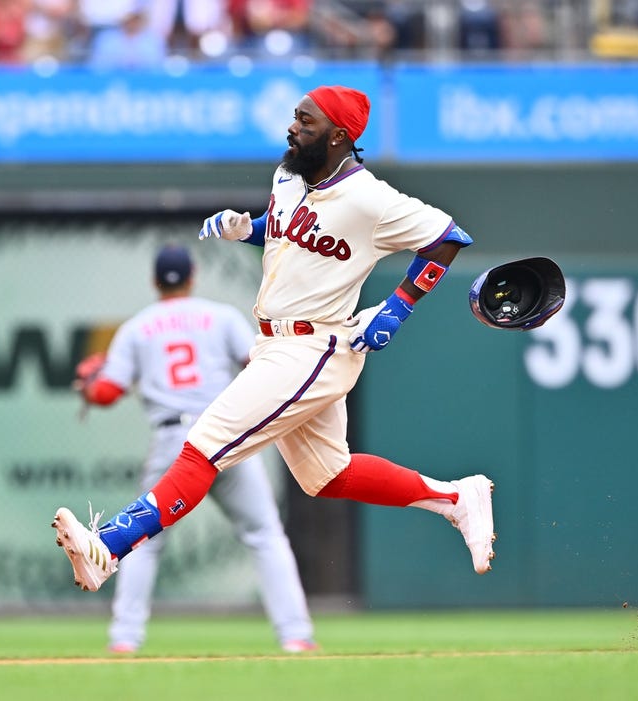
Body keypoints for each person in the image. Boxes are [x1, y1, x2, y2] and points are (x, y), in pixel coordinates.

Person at [51, 85, 495, 608]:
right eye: (294, 118)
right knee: (328, 476)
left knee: (205, 442)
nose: (293, 128)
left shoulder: (370, 198)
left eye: (306, 123)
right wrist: (251, 230)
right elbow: (292, 235)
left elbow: (449, 235)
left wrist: (399, 305)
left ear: (339, 136)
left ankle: (109, 547)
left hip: (314, 347)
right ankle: (455, 497)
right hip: (275, 340)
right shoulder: (288, 176)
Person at [73, 243, 316, 654]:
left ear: (155, 281)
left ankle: (124, 640)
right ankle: (295, 636)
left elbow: (108, 391)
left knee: (143, 539)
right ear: (193, 275)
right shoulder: (220, 316)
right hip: (224, 434)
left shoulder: (137, 327)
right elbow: (260, 364)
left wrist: (90, 385)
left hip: (173, 439)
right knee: (265, 534)